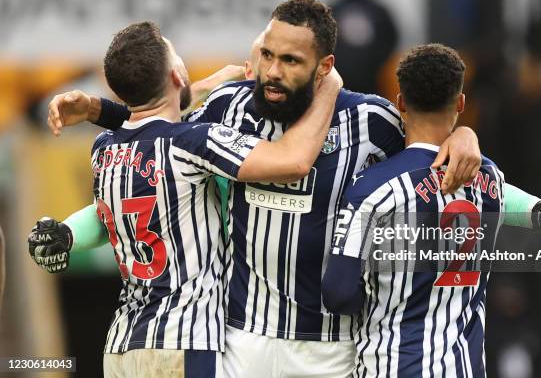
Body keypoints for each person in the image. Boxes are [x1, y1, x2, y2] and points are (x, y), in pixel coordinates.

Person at [39, 0, 541, 377]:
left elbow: (440, 166)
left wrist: (465, 135)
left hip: (332, 348)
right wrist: (101, 112)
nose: (272, 73)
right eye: (266, 55)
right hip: (241, 341)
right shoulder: (229, 107)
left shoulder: (372, 123)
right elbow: (155, 142)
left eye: (291, 62)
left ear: (325, 68)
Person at [28, 20, 343, 378]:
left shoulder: (103, 147)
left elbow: (147, 125)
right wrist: (330, 86)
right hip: (182, 343)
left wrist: (67, 231)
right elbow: (294, 161)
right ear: (178, 75)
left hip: (121, 347)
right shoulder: (195, 142)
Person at [321, 44, 541, 377]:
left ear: (401, 103)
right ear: (461, 103)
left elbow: (338, 295)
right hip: (464, 367)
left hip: (393, 365)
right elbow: (507, 200)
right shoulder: (490, 179)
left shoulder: (373, 189)